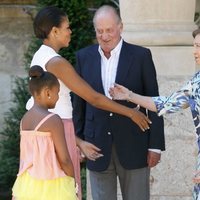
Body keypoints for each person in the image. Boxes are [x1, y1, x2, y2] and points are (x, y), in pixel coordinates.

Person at [25, 6, 151, 200]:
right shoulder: (56, 62)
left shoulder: (41, 56)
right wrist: (131, 113)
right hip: (59, 133)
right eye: (67, 27)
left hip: (54, 132)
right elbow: (94, 98)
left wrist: (79, 142)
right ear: (54, 31)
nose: (70, 31)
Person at [72, 5, 165, 200]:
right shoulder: (83, 57)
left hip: (135, 145)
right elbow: (78, 103)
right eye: (99, 31)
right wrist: (78, 142)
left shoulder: (141, 56)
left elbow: (154, 100)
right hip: (96, 146)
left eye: (109, 30)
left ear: (120, 27)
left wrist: (155, 146)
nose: (104, 36)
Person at [109, 28, 200, 199]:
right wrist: (130, 95)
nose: (194, 51)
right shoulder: (197, 81)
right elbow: (165, 104)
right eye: (194, 46)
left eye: (198, 46)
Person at [12, 65, 77, 200]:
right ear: (47, 92)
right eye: (57, 92)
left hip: (27, 184)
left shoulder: (24, 120)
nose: (58, 97)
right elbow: (64, 159)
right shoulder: (53, 120)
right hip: (52, 185)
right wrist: (72, 182)